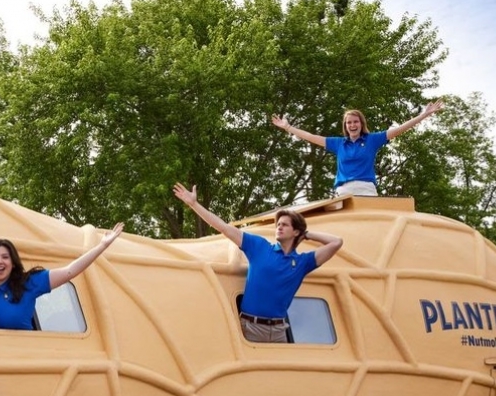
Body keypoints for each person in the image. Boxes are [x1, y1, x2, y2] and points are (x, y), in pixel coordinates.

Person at [173, 183, 342, 343]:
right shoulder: (259, 247)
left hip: (279, 331)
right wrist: (194, 204)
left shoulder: (302, 262)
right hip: (250, 328)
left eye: (285, 225)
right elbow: (224, 227)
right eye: (278, 224)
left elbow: (336, 242)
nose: (279, 227)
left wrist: (307, 234)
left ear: (296, 231)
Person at [271, 100, 444, 196]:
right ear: (345, 126)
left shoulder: (372, 140)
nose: (352, 125)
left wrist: (423, 115)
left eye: (355, 122)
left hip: (366, 189)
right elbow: (311, 137)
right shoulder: (338, 144)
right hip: (343, 190)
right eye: (349, 122)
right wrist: (288, 127)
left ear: (361, 124)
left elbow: (400, 129)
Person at [0, 222, 124, 330]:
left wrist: (102, 246)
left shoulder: (28, 283)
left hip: (24, 358)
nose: (0, 261)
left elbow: (70, 271)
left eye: (5, 257)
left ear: (13, 263)